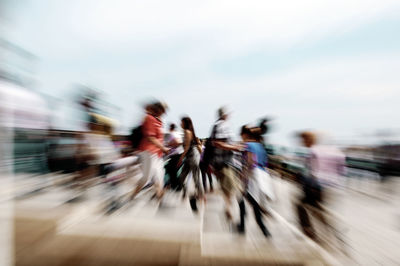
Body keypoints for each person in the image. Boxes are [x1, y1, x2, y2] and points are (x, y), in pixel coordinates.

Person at [129, 101, 169, 201]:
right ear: (158, 109)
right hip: (148, 152)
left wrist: (162, 148)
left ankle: (159, 196)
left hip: (157, 153)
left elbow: (159, 138)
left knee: (159, 175)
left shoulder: (159, 121)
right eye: (163, 111)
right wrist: (163, 148)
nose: (164, 113)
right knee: (146, 177)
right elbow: (150, 138)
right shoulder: (149, 118)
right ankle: (132, 195)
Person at [237, 125, 271, 237]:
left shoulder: (248, 145)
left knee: (245, 199)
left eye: (241, 134)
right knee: (249, 200)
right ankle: (259, 226)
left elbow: (250, 162)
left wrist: (243, 176)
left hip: (253, 176)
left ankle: (255, 226)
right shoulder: (261, 146)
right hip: (262, 176)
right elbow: (265, 164)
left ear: (246, 135)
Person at [209, 107, 242, 220]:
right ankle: (228, 208)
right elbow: (217, 143)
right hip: (224, 162)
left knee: (226, 187)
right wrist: (235, 147)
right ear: (225, 114)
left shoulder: (217, 125)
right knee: (230, 187)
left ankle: (228, 207)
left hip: (221, 162)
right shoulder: (222, 125)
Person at [177, 117, 204, 211]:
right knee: (181, 177)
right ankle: (185, 193)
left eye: (181, 122)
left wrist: (181, 158)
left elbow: (187, 147)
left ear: (185, 123)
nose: (180, 123)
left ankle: (201, 196)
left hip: (193, 157)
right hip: (189, 157)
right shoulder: (185, 132)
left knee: (196, 178)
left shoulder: (188, 132)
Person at [164, 123, 183, 190]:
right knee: (172, 170)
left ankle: (176, 186)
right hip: (178, 154)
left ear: (170, 128)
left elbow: (177, 143)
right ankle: (176, 185)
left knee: (170, 170)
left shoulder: (172, 134)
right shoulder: (177, 133)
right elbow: (179, 142)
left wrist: (169, 144)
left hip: (175, 155)